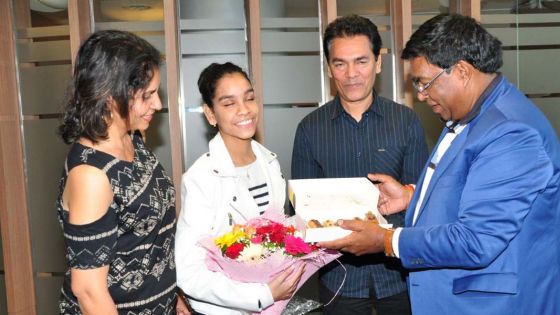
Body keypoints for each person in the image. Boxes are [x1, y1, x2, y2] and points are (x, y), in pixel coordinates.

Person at [320, 14, 560, 315]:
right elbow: (475, 191)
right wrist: (411, 196)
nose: (420, 95)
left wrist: (387, 240)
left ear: (461, 71)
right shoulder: (472, 115)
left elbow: (477, 239)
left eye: (424, 83)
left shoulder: (511, 132)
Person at [291, 14, 428, 315]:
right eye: (340, 63)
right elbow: (301, 212)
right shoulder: (309, 129)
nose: (351, 73)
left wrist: (382, 239)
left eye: (361, 61)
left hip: (399, 277)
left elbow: (422, 203)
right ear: (329, 68)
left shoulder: (405, 122)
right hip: (338, 279)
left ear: (378, 62)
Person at [56, 30, 186, 314]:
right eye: (147, 95)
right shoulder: (91, 175)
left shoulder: (132, 136)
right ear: (109, 95)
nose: (158, 105)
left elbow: (146, 238)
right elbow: (89, 291)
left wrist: (173, 295)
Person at [175, 62, 305, 314]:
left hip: (274, 305)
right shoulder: (201, 178)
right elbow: (188, 272)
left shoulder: (270, 162)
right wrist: (260, 295)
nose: (245, 110)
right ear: (210, 114)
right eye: (229, 103)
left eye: (249, 98)